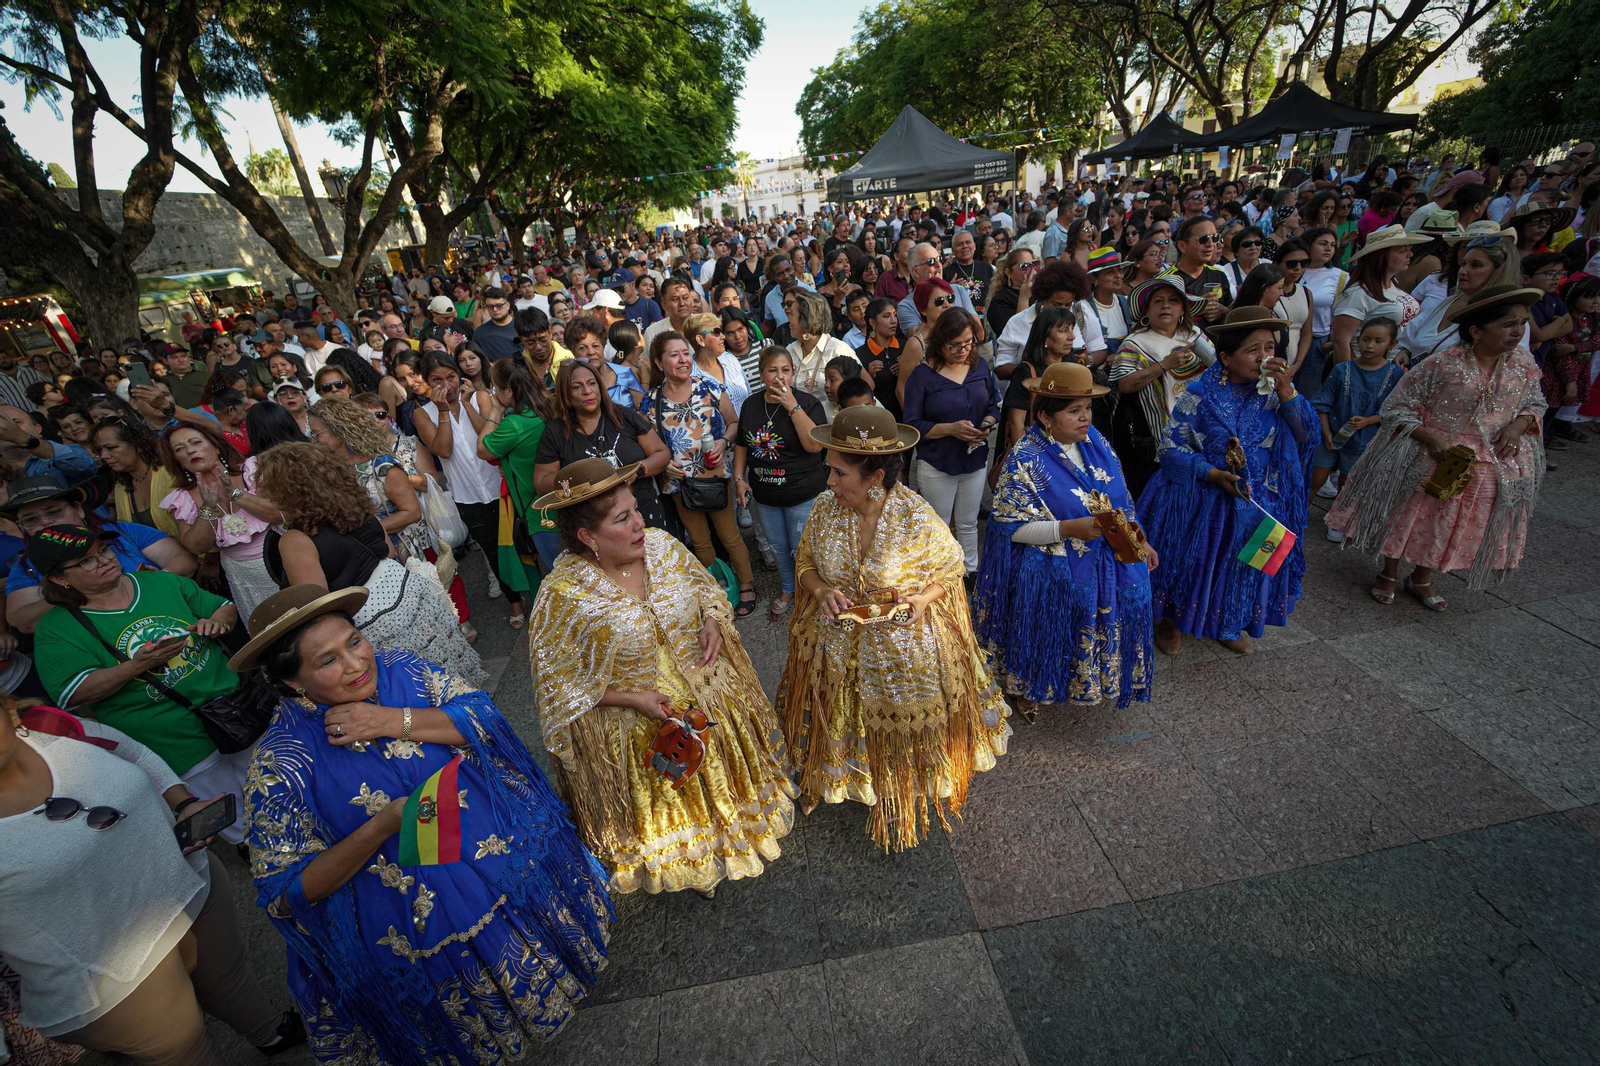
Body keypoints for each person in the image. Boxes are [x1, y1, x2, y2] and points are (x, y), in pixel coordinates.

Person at [230, 586, 611, 1064]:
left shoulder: (403, 670)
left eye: (354, 641)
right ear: (292, 683)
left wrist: (390, 720)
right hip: (407, 919)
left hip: (490, 856)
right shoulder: (282, 761)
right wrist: (381, 827)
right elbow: (285, 893)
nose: (355, 664)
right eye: (327, 661)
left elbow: (482, 718)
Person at [526, 458, 796, 895]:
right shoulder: (562, 595)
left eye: (636, 510)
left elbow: (706, 587)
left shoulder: (662, 545)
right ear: (587, 536)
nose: (640, 524)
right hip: (637, 723)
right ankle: (694, 863)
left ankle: (729, 837)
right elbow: (558, 684)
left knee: (722, 779)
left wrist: (711, 620)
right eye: (623, 518)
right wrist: (632, 699)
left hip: (706, 690)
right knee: (675, 795)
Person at [0, 697, 303, 1066]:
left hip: (188, 883)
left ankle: (272, 1033)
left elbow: (137, 754)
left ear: (9, 710)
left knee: (228, 977)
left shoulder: (50, 726)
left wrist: (182, 804)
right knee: (188, 1052)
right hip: (110, 975)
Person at [775, 405, 1011, 851]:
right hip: (835, 643)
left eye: (840, 473)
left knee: (898, 723)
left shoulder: (915, 517)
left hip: (901, 647)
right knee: (834, 713)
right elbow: (804, 562)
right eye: (830, 471)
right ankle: (825, 775)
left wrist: (921, 600)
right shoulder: (826, 509)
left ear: (875, 476)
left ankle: (899, 783)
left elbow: (950, 565)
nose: (829, 482)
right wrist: (822, 590)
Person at [29, 525, 258, 841]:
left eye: (104, 551)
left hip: (237, 713)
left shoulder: (157, 582)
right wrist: (138, 666)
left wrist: (218, 622)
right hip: (176, 743)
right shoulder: (56, 629)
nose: (103, 561)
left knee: (282, 789)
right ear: (59, 578)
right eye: (85, 561)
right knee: (242, 824)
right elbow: (76, 692)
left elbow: (223, 606)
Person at [1328, 285, 1548, 606]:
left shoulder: (1522, 364)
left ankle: (1421, 578)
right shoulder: (1443, 364)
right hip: (1431, 455)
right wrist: (1429, 437)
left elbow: (1535, 402)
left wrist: (1519, 425)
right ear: (1476, 331)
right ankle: (1387, 573)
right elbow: (1396, 406)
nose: (1518, 331)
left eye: (1521, 323)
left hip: (1488, 462)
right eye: (1508, 324)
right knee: (1408, 516)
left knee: (1447, 523)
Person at [974, 361, 1156, 718]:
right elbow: (1010, 528)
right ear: (1045, 416)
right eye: (1074, 411)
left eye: (1088, 408)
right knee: (1047, 630)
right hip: (1049, 566)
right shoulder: (1024, 459)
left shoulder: (1097, 442)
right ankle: (1029, 686)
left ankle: (1082, 679)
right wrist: (1068, 528)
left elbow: (1121, 500)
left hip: (1105, 560)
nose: (1085, 417)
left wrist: (1139, 540)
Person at [1137, 306, 1316, 656]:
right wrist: (1212, 473)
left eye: (1269, 348)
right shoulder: (1201, 394)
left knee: (1244, 564)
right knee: (1192, 562)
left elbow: (1307, 435)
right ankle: (1171, 622)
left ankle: (1229, 620)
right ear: (1225, 357)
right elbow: (1170, 448)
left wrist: (1287, 392)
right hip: (1204, 498)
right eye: (1253, 350)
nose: (1264, 357)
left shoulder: (1277, 394)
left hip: (1259, 499)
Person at [255, 442, 486, 684]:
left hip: (373, 619)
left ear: (283, 490)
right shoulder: (353, 502)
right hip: (409, 592)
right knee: (449, 677)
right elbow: (387, 550)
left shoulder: (295, 538)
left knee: (417, 689)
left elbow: (317, 605)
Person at [639, 332, 757, 615]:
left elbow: (733, 423)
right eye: (674, 354)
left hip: (714, 477)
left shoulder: (710, 386)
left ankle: (747, 586)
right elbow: (648, 444)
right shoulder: (651, 400)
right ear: (658, 361)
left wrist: (723, 441)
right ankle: (717, 590)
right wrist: (661, 462)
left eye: (686, 353)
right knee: (700, 539)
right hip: (679, 483)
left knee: (729, 536)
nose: (683, 360)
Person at [3, 476, 198, 635]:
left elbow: (185, 560)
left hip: (175, 624)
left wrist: (146, 583)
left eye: (54, 511)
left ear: (78, 510)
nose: (45, 522)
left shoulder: (122, 532)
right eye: (31, 519)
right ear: (21, 527)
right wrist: (80, 595)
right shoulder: (26, 567)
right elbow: (23, 621)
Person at [412, 353, 524, 627]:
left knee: (521, 543)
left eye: (450, 377)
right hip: (468, 496)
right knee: (493, 551)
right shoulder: (422, 413)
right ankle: (515, 603)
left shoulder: (479, 398)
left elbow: (491, 439)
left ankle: (537, 591)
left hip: (500, 485)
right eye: (437, 380)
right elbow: (443, 450)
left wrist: (466, 404)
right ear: (427, 383)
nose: (446, 386)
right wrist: (442, 411)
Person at [902, 309, 998, 580]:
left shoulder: (979, 366)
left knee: (968, 522)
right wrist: (950, 430)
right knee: (938, 524)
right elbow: (911, 424)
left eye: (967, 343)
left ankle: (970, 570)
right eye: (954, 345)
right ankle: (939, 574)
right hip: (937, 461)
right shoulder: (922, 376)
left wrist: (987, 424)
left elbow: (992, 404)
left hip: (974, 458)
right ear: (939, 343)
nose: (962, 350)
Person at [733, 346, 827, 617]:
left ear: (793, 372)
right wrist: (739, 478)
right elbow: (741, 444)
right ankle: (788, 588)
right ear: (762, 374)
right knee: (778, 548)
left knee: (805, 549)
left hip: (804, 493)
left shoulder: (808, 403)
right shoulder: (751, 405)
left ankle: (812, 593)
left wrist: (792, 407)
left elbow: (814, 446)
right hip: (766, 496)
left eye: (785, 370)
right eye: (772, 370)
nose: (779, 377)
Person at [158, 421, 279, 629]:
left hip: (281, 559)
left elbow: (277, 514)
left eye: (196, 442)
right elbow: (197, 547)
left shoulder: (252, 470)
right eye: (180, 449)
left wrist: (234, 493)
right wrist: (208, 505)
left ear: (216, 445)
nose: (190, 450)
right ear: (177, 461)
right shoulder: (182, 498)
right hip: (241, 575)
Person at [1106, 271, 1216, 497]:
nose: (1166, 306)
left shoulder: (1194, 334)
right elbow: (1125, 384)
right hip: (1152, 438)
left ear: (1183, 308)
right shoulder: (1135, 343)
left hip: (1199, 428)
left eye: (1173, 300)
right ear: (1147, 310)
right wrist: (1163, 365)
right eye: (1158, 301)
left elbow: (1217, 370)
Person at [534, 357, 672, 533]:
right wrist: (579, 478)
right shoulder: (554, 433)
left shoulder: (624, 416)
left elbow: (661, 453)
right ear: (566, 395)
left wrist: (638, 470)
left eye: (592, 383)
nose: (587, 391)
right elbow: (541, 482)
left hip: (642, 512)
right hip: (593, 526)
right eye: (577, 387)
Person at [1312, 310, 1407, 537]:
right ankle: (1295, 515)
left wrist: (1369, 420)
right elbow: (1322, 403)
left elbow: (1396, 410)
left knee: (1349, 481)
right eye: (1365, 339)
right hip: (1331, 434)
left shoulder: (1394, 375)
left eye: (1378, 341)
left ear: (1391, 344)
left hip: (1364, 439)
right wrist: (1325, 431)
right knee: (1316, 477)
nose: (1370, 346)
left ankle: (1339, 520)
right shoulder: (1342, 369)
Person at [1330, 224, 1428, 367]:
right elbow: (1341, 342)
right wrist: (1350, 380)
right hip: (1369, 371)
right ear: (1382, 256)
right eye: (1402, 250)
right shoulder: (1357, 294)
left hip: (1395, 368)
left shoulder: (1394, 283)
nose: (1410, 254)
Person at [92, 415, 180, 536]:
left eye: (110, 448)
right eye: (99, 450)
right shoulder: (121, 487)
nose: (104, 455)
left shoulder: (171, 474)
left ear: (137, 444)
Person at [985, 248, 1037, 339]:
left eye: (1034, 265)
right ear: (1008, 272)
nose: (1031, 270)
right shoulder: (1000, 300)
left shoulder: (1041, 293)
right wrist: (1024, 298)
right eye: (1024, 267)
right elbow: (1014, 333)